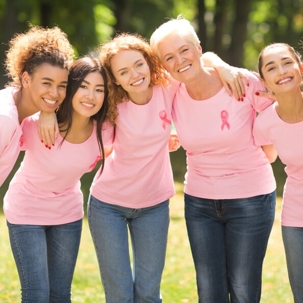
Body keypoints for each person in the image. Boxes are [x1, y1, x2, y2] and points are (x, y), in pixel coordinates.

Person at [150, 16, 276, 303]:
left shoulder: (241, 81)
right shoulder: (171, 93)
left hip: (251, 200)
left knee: (243, 288)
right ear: (163, 66)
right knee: (209, 291)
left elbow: (276, 120)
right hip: (200, 203)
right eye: (169, 57)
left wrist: (220, 65)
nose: (179, 60)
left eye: (184, 50)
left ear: (198, 47)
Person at [3, 54, 115, 303]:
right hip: (26, 213)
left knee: (60, 295)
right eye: (83, 87)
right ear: (72, 89)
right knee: (36, 295)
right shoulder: (35, 125)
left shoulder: (105, 131)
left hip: (67, 215)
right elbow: (15, 99)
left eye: (99, 89)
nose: (91, 96)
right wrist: (46, 110)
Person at [253, 42, 303, 303]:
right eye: (272, 67)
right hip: (296, 218)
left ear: (300, 68)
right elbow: (265, 157)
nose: (281, 70)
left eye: (287, 62)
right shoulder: (265, 123)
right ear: (264, 81)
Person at [0, 25, 74, 187]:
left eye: (62, 85)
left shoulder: (12, 98)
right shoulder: (5, 119)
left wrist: (48, 111)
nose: (54, 93)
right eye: (46, 83)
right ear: (26, 79)